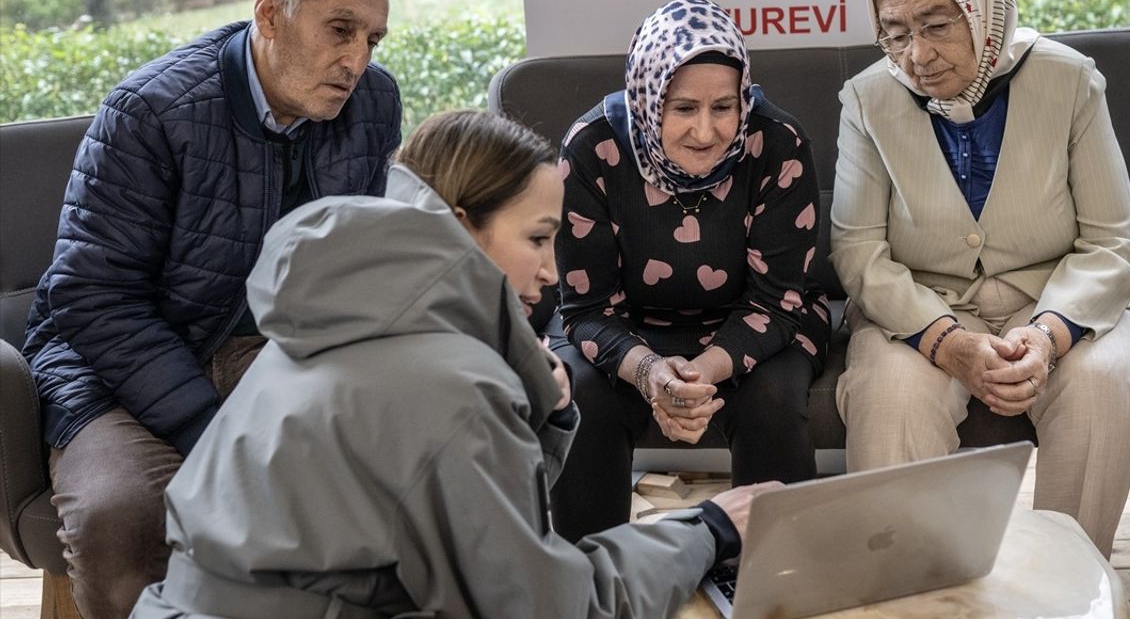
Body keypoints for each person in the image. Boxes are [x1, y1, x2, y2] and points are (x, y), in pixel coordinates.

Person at [128, 109, 779, 618]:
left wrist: (544, 415)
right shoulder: (447, 385)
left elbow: (468, 527)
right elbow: (556, 609)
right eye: (537, 238)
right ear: (463, 228)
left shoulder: (339, 316)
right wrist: (710, 528)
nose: (552, 271)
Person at [22, 0, 401, 617]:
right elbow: (92, 296)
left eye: (372, 39)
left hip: (275, 354)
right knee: (126, 519)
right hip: (115, 368)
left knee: (391, 481)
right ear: (269, 15)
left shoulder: (371, 102)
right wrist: (206, 425)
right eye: (340, 29)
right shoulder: (151, 111)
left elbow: (356, 261)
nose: (355, 61)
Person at [830, 0, 1130, 557]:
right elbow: (859, 251)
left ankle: (1067, 586)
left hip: (1059, 298)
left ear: (981, 10)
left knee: (1101, 386)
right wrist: (947, 342)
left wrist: (1051, 332)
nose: (917, 55)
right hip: (923, 307)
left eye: (935, 24)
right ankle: (910, 594)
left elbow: (1114, 241)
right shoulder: (867, 99)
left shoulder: (1069, 81)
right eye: (895, 33)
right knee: (890, 396)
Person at [550, 0, 830, 542]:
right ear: (650, 99)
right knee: (581, 397)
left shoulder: (778, 143)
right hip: (622, 328)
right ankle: (592, 584)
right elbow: (585, 307)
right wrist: (651, 372)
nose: (706, 131)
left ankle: (776, 580)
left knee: (772, 399)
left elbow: (777, 300)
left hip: (756, 324)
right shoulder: (591, 147)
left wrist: (697, 376)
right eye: (683, 109)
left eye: (724, 107)